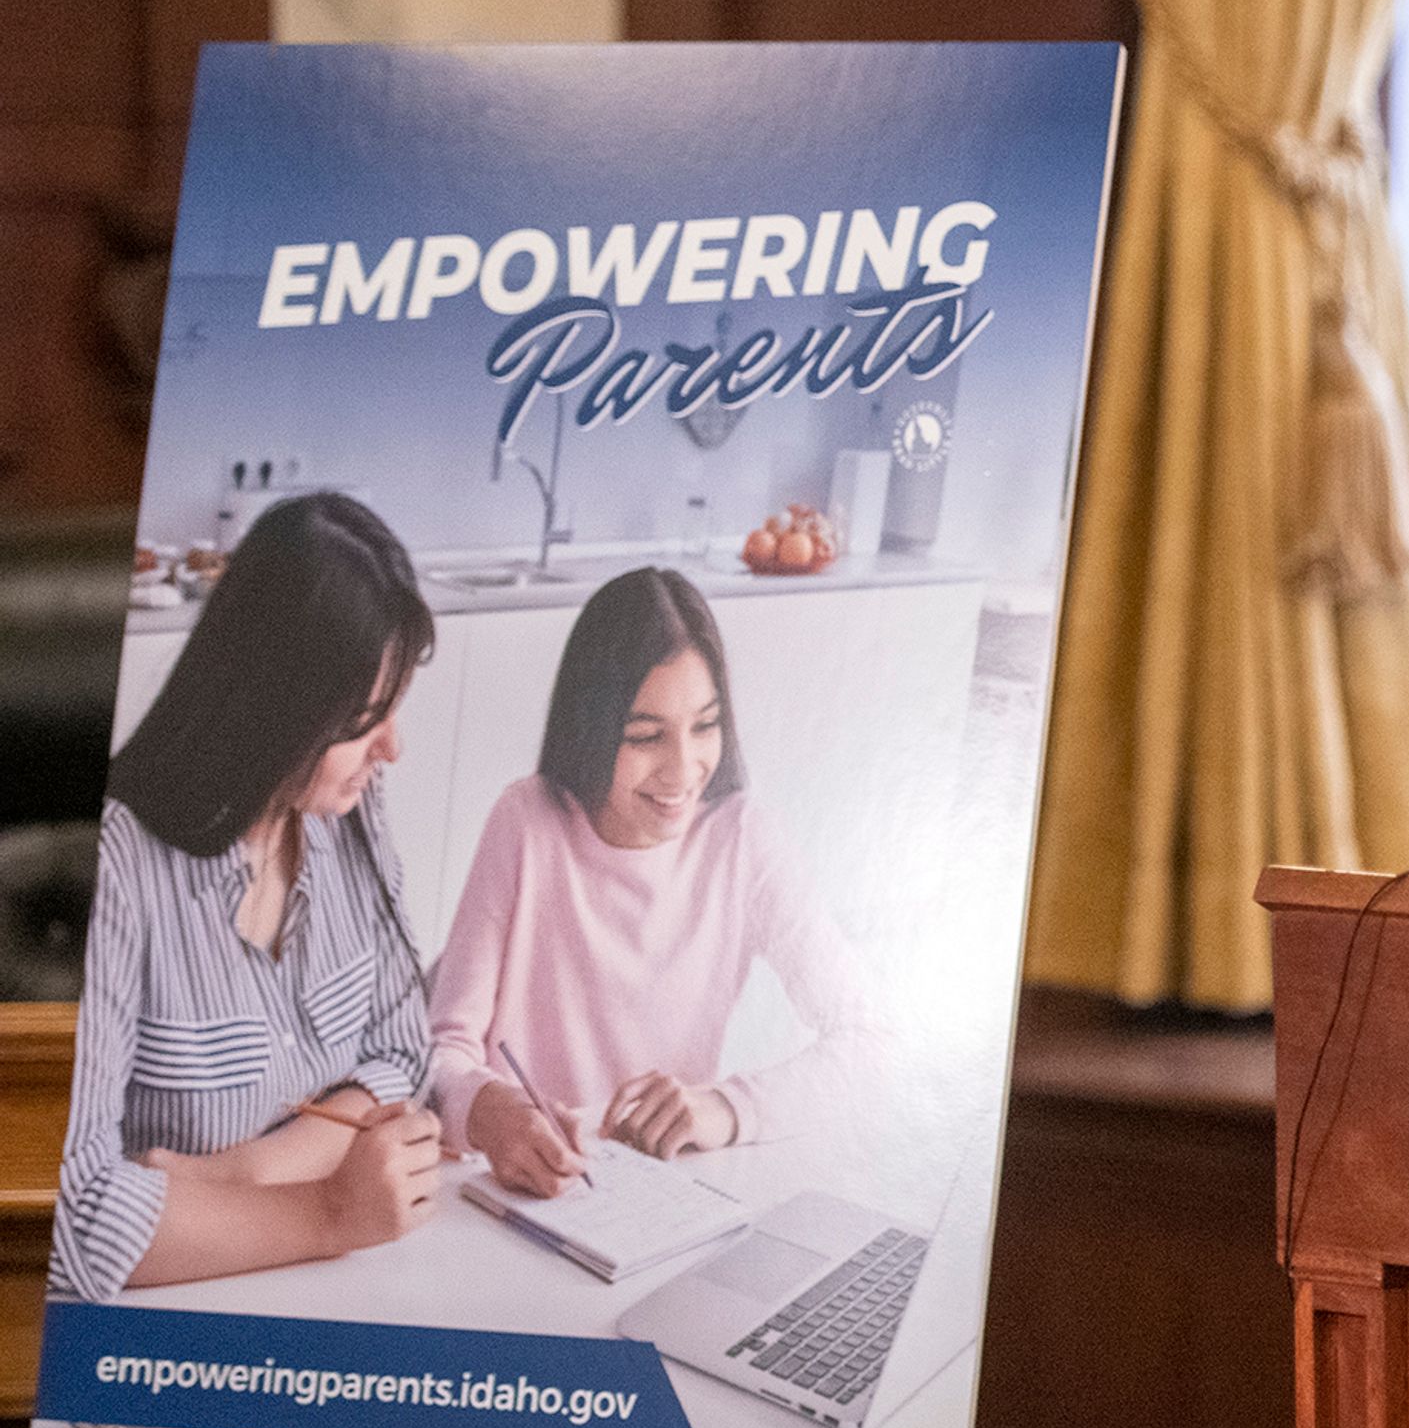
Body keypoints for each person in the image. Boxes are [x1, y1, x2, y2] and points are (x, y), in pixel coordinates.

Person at [54, 492, 446, 1300]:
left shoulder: (350, 811)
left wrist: (245, 1171)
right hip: (165, 1325)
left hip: (329, 1288)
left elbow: (404, 1050)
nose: (393, 747)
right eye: (366, 717)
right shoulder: (115, 865)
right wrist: (330, 1211)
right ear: (278, 707)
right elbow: (74, 1214)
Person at [429, 567, 895, 1190]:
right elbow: (442, 1051)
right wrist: (491, 1112)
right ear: (593, 731)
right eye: (645, 736)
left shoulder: (744, 839)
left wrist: (724, 1108)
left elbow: (872, 1040)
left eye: (704, 726)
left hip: (657, 1193)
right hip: (513, 1190)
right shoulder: (527, 821)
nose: (682, 771)